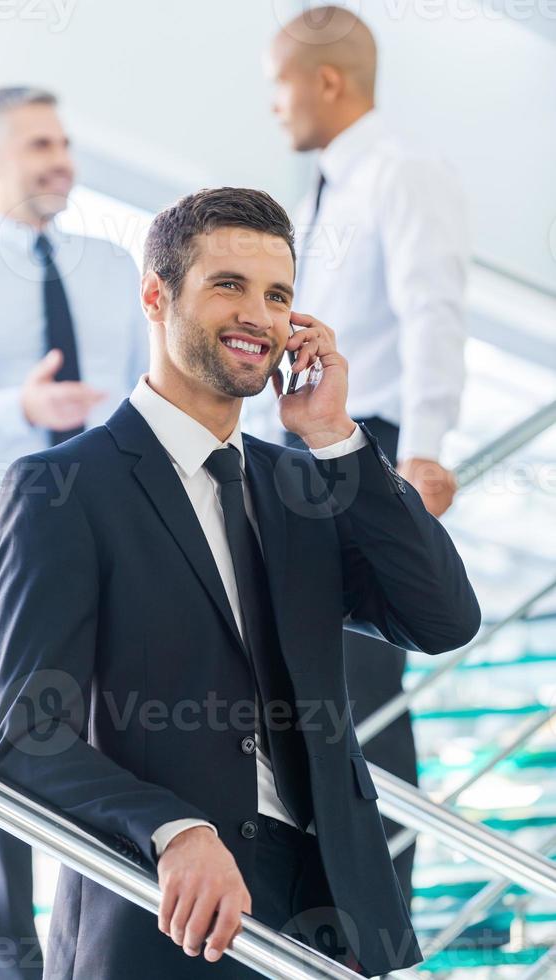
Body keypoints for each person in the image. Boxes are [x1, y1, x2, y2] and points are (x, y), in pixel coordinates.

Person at [0, 186, 480, 979]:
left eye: (278, 295)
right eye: (229, 286)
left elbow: (444, 619)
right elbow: (25, 739)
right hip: (166, 917)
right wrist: (173, 828)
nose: (260, 314)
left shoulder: (307, 486)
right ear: (156, 295)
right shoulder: (64, 491)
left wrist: (335, 437)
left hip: (333, 924)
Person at [0, 86, 148, 979]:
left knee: (120, 733)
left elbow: (137, 394)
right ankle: (12, 969)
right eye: (37, 144)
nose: (59, 158)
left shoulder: (115, 267)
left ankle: (110, 951)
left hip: (105, 517)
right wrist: (21, 407)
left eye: (64, 140)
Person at [247, 4, 471, 903]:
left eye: (280, 85)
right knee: (311, 685)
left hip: (363, 447)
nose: (274, 106)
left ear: (327, 81)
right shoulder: (322, 188)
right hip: (299, 453)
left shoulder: (402, 172)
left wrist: (423, 453)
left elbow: (434, 311)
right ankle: (320, 905)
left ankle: (380, 915)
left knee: (364, 690)